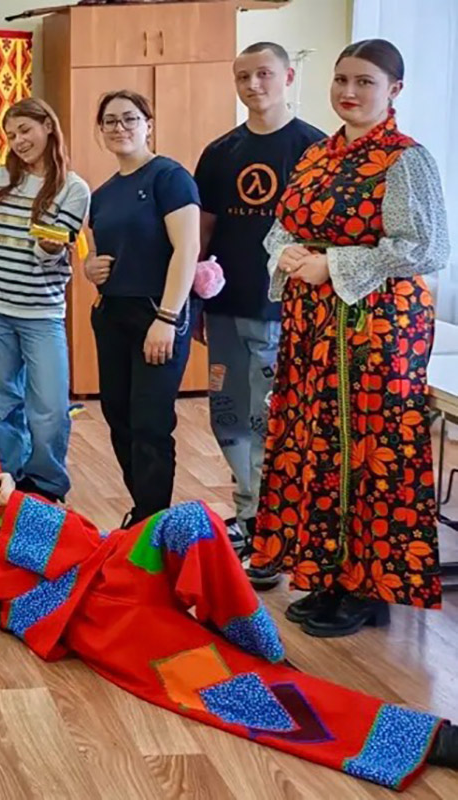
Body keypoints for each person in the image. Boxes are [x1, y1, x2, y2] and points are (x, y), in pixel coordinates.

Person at [0, 444, 458, 790]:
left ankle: (255, 639)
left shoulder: (19, 506)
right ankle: (428, 740)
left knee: (192, 521)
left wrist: (12, 505)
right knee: (230, 692)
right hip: (104, 628)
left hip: (120, 565)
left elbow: (81, 547)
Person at [249, 39, 449, 636]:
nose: (349, 91)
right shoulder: (318, 154)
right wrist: (289, 254)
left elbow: (426, 248)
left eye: (364, 81)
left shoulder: (405, 159)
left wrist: (332, 264)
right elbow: (282, 225)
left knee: (367, 446)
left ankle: (368, 587)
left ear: (394, 90)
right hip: (314, 322)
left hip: (377, 327)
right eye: (341, 79)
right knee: (318, 443)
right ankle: (329, 573)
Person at [194, 43, 325, 564]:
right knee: (226, 413)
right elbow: (204, 231)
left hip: (287, 311)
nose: (253, 84)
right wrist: (194, 303)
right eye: (243, 76)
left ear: (288, 77)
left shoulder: (316, 150)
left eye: (264, 74)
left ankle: (277, 524)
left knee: (270, 420)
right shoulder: (219, 152)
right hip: (226, 306)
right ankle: (249, 513)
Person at [0, 98, 89, 504]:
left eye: (25, 130)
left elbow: (57, 256)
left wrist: (49, 247)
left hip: (42, 313)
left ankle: (47, 484)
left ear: (48, 126)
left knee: (50, 407)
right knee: (2, 404)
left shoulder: (74, 189)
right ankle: (9, 479)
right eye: (11, 135)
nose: (18, 141)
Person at [85, 90, 201, 524]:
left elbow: (187, 249)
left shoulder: (169, 178)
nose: (120, 128)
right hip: (113, 313)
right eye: (110, 121)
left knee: (151, 421)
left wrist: (167, 317)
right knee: (119, 417)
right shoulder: (102, 194)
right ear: (100, 130)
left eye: (129, 118)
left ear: (148, 124)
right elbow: (101, 255)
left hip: (159, 312)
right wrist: (90, 268)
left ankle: (154, 520)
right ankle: (143, 510)